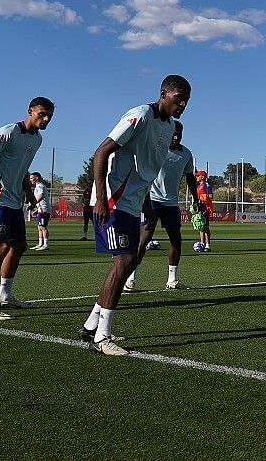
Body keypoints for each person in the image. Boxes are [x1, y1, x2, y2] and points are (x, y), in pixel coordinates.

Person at [78, 74, 191, 356]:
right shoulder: (140, 114)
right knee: (125, 261)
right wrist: (102, 199)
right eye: (179, 98)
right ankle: (101, 338)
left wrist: (146, 207)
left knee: (126, 264)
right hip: (113, 201)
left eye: (187, 101)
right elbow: (101, 151)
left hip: (133, 202)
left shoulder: (169, 127)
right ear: (164, 94)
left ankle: (92, 325)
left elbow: (144, 169)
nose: (183, 105)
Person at [0, 96, 54, 320]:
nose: (45, 119)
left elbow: (24, 169)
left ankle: (5, 296)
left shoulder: (37, 140)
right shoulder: (7, 132)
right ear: (30, 111)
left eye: (49, 116)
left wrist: (28, 193)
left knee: (19, 246)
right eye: (41, 114)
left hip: (13, 200)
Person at [124, 121, 201, 291]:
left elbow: (190, 178)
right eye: (173, 133)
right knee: (144, 238)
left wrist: (196, 199)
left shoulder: (186, 154)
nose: (175, 136)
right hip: (152, 200)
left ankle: (172, 280)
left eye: (178, 134)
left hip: (171, 203)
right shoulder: (157, 148)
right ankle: (130, 278)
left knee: (176, 239)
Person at [29, 172, 51, 250]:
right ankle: (40, 243)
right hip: (40, 209)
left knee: (43, 227)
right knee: (39, 227)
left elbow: (41, 196)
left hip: (44, 209)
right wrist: (37, 209)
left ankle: (45, 244)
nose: (30, 180)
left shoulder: (40, 186)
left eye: (32, 178)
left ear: (37, 178)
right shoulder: (37, 187)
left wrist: (33, 204)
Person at [194, 170, 213, 250]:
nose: (196, 177)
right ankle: (202, 244)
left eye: (198, 176)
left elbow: (210, 196)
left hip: (205, 208)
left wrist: (201, 198)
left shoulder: (206, 185)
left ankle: (207, 245)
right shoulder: (198, 186)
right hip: (199, 207)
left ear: (202, 177)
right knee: (200, 226)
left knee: (205, 227)